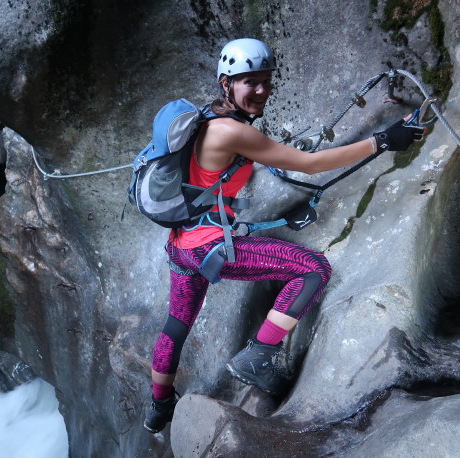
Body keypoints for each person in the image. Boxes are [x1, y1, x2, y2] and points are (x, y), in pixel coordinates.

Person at [143, 38, 425, 434]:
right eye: (249, 82)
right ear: (227, 84)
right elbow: (308, 165)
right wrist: (382, 140)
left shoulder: (207, 118)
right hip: (209, 245)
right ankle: (259, 354)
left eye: (265, 81)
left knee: (176, 326)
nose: (261, 90)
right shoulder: (231, 131)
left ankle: (157, 408)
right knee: (313, 269)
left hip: (181, 245)